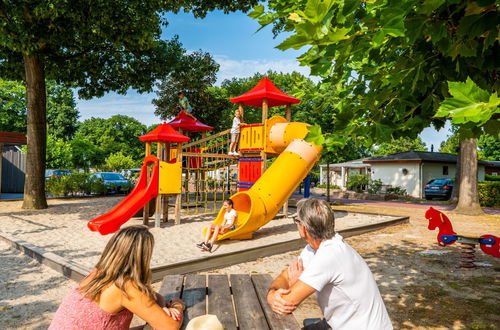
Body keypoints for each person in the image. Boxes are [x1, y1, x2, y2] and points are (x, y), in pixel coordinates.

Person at [266, 198, 392, 330]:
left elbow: (287, 302)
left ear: (304, 228)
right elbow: (285, 276)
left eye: (296, 221)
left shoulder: (330, 254)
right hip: (340, 323)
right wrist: (272, 294)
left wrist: (281, 291)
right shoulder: (315, 248)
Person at [49, 225, 185, 330]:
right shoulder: (124, 286)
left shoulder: (99, 273)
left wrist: (161, 308)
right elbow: (170, 326)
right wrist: (177, 306)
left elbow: (154, 297)